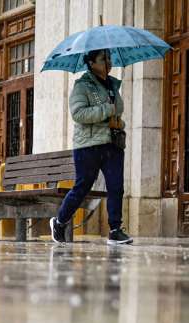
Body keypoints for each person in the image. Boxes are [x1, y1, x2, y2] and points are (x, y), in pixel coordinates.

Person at [50, 49, 133, 245]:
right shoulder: (82, 86)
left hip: (112, 143)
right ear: (91, 63)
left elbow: (117, 111)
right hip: (88, 145)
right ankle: (59, 222)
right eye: (103, 59)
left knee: (116, 187)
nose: (108, 62)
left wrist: (119, 122)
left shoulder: (113, 85)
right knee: (83, 187)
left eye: (109, 58)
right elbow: (78, 114)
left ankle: (115, 230)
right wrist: (106, 110)